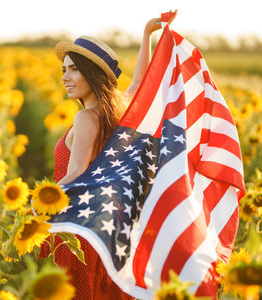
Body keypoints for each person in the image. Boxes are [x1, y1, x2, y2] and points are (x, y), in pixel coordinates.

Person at [40, 12, 177, 300]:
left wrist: (40, 204)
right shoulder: (119, 112)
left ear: (92, 73)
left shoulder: (87, 118)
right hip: (106, 229)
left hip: (75, 227)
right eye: (64, 69)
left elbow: (77, 171)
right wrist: (146, 34)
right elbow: (140, 82)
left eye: (74, 69)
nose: (65, 77)